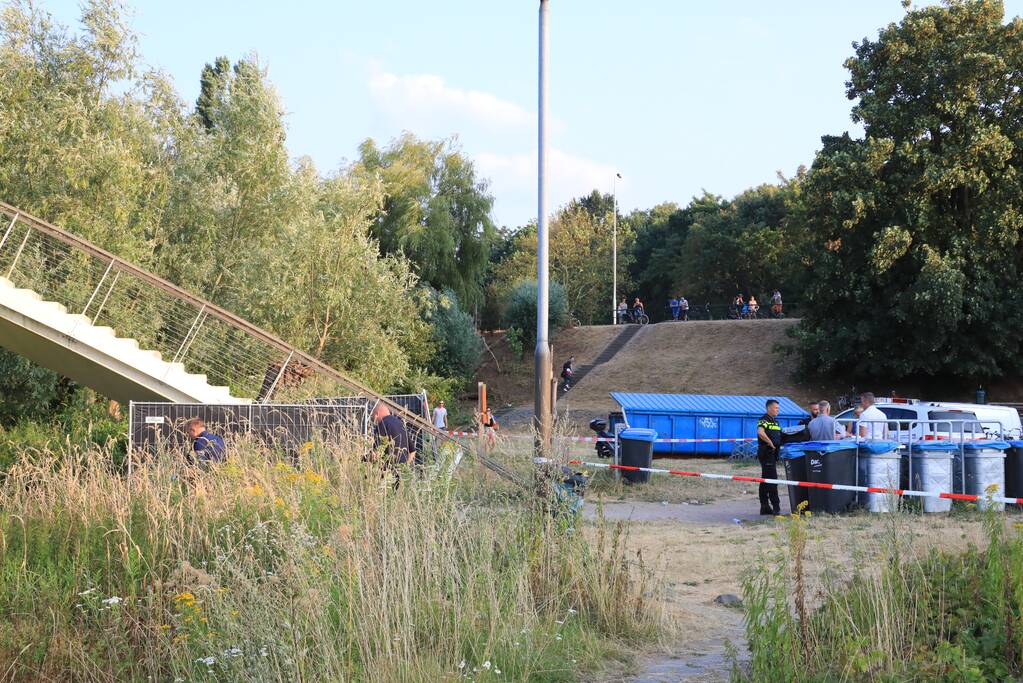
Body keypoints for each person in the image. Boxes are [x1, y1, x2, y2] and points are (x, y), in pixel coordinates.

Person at [757, 399, 783, 515]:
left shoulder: (776, 422)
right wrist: (770, 443)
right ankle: (776, 507)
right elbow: (760, 432)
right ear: (769, 408)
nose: (778, 410)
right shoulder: (764, 419)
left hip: (773, 455)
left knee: (765, 480)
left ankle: (764, 506)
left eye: (778, 408)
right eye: (776, 408)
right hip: (766, 453)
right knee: (772, 480)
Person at [371, 403, 414, 472]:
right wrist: (405, 467)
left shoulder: (382, 424)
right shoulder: (401, 424)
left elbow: (376, 453)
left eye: (374, 417)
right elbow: (412, 451)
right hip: (401, 471)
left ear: (377, 414)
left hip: (387, 471)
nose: (375, 420)